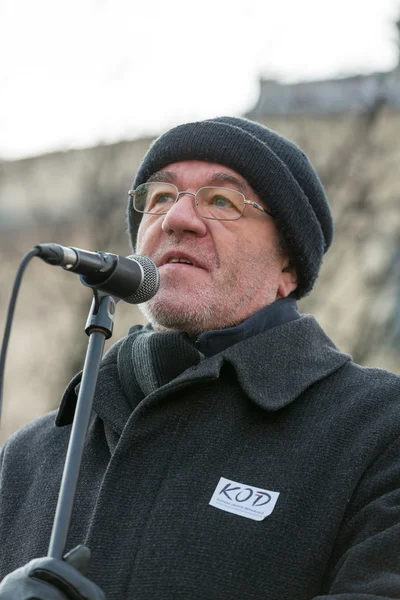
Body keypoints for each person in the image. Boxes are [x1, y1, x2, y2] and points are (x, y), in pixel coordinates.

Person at [0, 116, 400, 600]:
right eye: (161, 198)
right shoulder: (29, 455)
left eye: (222, 201)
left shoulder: (379, 428)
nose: (176, 219)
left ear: (289, 266)